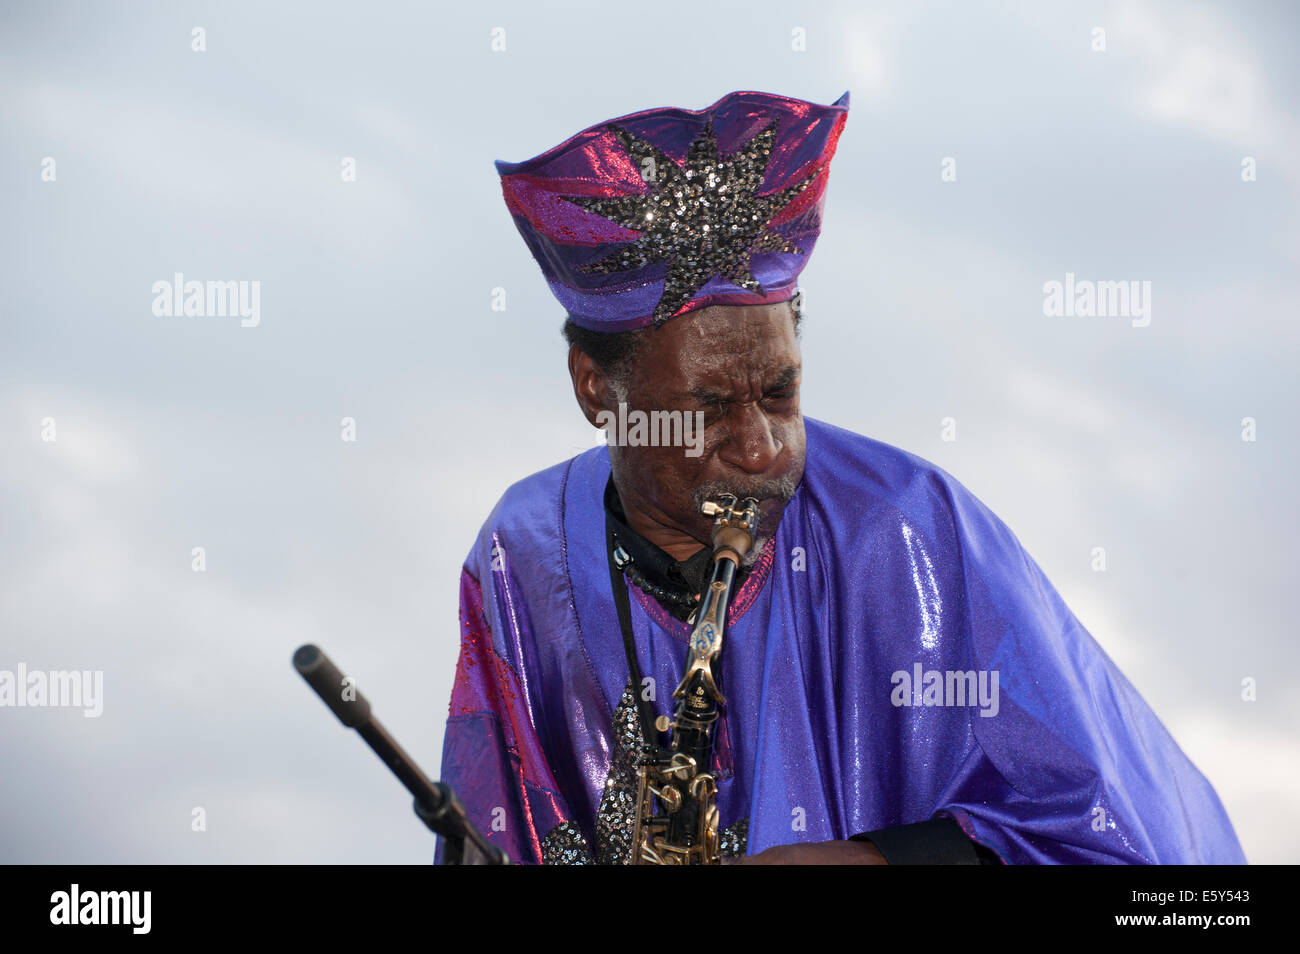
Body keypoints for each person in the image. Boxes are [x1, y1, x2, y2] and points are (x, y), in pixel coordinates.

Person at [434, 90, 1245, 865]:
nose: (759, 451)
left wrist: (878, 860)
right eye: (708, 409)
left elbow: (1121, 839)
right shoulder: (522, 552)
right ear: (593, 390)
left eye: (780, 393)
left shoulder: (906, 526)